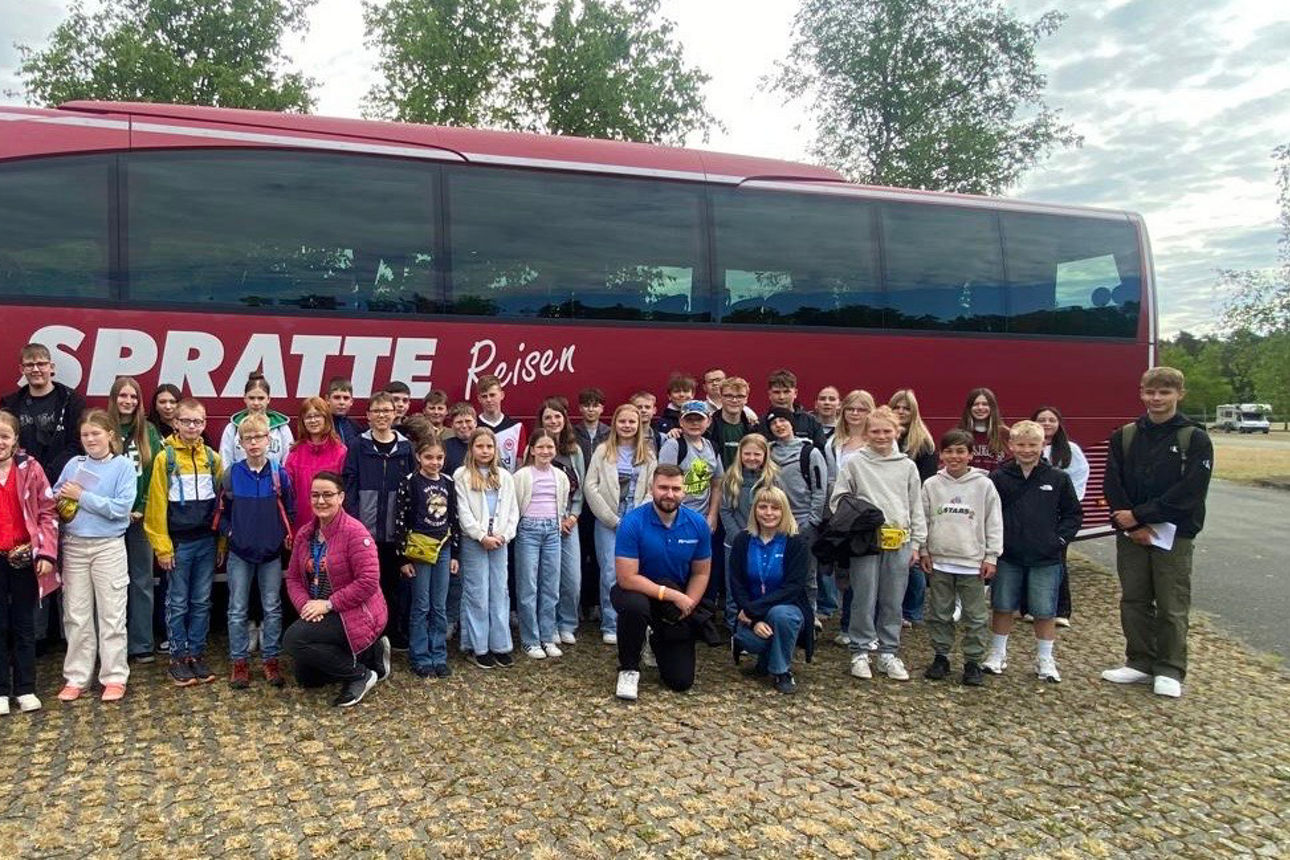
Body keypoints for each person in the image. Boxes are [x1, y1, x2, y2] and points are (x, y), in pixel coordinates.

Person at [1101, 366, 1212, 699]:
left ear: (1180, 394)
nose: (1156, 399)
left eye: (1164, 392)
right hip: (1132, 533)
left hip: (1174, 534)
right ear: (1141, 393)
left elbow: (1190, 491)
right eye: (1150, 392)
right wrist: (1131, 524)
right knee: (1134, 598)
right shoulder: (1125, 435)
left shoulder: (1195, 438)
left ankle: (1170, 668)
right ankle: (1139, 660)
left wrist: (1141, 515)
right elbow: (1113, 482)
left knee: (1171, 602)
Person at [829, 405, 926, 681]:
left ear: (897, 432)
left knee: (893, 599)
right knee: (864, 596)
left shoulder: (907, 466)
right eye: (875, 431)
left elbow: (915, 505)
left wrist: (917, 543)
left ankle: (888, 652)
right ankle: (860, 651)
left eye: (887, 431)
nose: (881, 436)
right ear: (866, 433)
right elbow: (838, 499)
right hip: (866, 541)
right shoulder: (856, 463)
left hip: (899, 540)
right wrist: (860, 516)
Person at [983, 421, 1082, 683]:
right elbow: (989, 513)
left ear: (1043, 445)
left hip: (1045, 556)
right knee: (1002, 606)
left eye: (1033, 445)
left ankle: (1045, 659)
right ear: (1011, 446)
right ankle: (997, 653)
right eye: (1021, 445)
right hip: (1008, 554)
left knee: (1044, 610)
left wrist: (1058, 540)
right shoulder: (999, 478)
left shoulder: (1058, 479)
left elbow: (1072, 515)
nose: (1027, 450)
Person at [282, 472, 391, 707]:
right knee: (307, 678)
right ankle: (368, 654)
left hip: (354, 611)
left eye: (328, 495)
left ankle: (360, 674)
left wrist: (328, 604)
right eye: (315, 495)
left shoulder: (355, 533)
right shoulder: (305, 535)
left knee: (293, 640)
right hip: (321, 610)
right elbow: (293, 578)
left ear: (341, 497)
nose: (321, 501)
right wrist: (307, 607)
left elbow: (368, 581)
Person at [53, 410, 136, 703]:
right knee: (75, 614)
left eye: (96, 434)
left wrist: (83, 498)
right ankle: (77, 676)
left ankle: (114, 676)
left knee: (112, 613)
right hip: (74, 545)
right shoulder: (74, 465)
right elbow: (56, 496)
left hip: (108, 546)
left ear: (110, 436)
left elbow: (121, 508)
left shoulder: (123, 467)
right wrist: (64, 498)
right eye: (86, 435)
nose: (90, 439)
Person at [610, 465, 713, 701]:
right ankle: (629, 668)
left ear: (684, 491)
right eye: (663, 488)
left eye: (676, 488)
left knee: (680, 681)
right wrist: (672, 595)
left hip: (675, 598)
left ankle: (655, 641)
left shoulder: (697, 524)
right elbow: (626, 577)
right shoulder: (633, 522)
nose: (669, 494)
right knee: (634, 607)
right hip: (638, 590)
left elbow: (701, 573)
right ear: (651, 488)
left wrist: (688, 604)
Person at [144, 398, 222, 687]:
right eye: (186, 421)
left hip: (207, 542)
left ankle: (196, 654)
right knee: (177, 602)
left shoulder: (212, 459)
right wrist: (162, 547)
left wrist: (221, 544)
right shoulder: (166, 459)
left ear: (204, 423)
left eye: (198, 421)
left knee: (201, 601)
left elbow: (221, 506)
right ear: (175, 423)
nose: (192, 426)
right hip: (178, 545)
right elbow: (155, 506)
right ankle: (177, 657)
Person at [919, 429, 1003, 687]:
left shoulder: (984, 485)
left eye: (960, 451)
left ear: (970, 455)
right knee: (939, 612)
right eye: (949, 451)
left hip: (972, 561)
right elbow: (923, 519)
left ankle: (973, 661)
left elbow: (994, 522)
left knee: (975, 616)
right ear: (941, 454)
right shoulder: (932, 485)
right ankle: (941, 655)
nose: (954, 457)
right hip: (940, 560)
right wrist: (923, 549)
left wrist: (991, 556)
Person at [217, 413, 295, 689]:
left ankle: (270, 660)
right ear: (240, 443)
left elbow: (289, 507)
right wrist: (230, 532)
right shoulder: (232, 474)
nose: (253, 443)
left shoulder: (279, 473)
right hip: (240, 552)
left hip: (271, 554)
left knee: (272, 608)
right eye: (247, 439)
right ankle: (239, 662)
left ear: (269, 440)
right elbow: (222, 511)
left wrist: (281, 536)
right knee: (237, 609)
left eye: (258, 438)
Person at [343, 392, 415, 650]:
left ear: (395, 413)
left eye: (387, 410)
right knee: (367, 584)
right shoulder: (357, 446)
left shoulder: (406, 447)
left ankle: (392, 634)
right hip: (366, 529)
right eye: (377, 411)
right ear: (368, 415)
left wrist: (406, 524)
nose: (383, 415)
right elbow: (349, 484)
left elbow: (411, 488)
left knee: (394, 585)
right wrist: (352, 521)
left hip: (394, 531)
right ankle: (367, 634)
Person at [0, 410, 59, 715]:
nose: (0, 441)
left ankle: (25, 688)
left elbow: (48, 512)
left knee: (24, 625)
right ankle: (0, 691)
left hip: (23, 557)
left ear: (15, 439)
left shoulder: (30, 468)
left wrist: (46, 553)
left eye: (4, 435)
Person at [584, 404, 657, 645]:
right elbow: (590, 486)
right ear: (615, 423)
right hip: (609, 520)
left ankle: (635, 622)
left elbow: (651, 488)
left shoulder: (647, 453)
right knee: (609, 572)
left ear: (639, 425)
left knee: (637, 572)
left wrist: (636, 518)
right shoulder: (603, 451)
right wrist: (612, 519)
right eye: (622, 421)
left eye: (631, 422)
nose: (627, 426)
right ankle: (611, 624)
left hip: (637, 520)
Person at [728, 486, 812, 694]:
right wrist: (754, 619)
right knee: (748, 640)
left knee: (780, 614)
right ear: (754, 510)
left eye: (775, 508)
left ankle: (781, 671)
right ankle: (765, 660)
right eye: (762, 507)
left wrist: (752, 611)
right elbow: (736, 584)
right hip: (751, 613)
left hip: (788, 609)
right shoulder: (743, 540)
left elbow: (793, 587)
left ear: (784, 511)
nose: (768, 513)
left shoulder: (796, 542)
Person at [107, 376, 164, 664]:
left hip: (140, 519)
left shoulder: (149, 431)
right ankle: (112, 646)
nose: (128, 401)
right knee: (111, 583)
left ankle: (141, 643)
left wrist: (142, 505)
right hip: (108, 520)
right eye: (123, 396)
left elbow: (157, 473)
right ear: (114, 398)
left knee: (141, 580)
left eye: (133, 397)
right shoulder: (104, 429)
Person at [453, 428, 519, 669]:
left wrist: (505, 535)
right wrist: (481, 536)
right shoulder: (462, 475)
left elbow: (513, 511)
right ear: (471, 449)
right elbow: (463, 513)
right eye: (480, 447)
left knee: (499, 591)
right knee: (477, 592)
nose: (485, 451)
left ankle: (500, 645)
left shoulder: (505, 476)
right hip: (475, 542)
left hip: (500, 542)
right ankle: (477, 646)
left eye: (489, 447)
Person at [393, 436, 458, 678]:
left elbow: (454, 519)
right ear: (418, 457)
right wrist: (403, 559)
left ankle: (438, 654)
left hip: (443, 549)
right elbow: (399, 521)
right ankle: (420, 656)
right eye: (429, 457)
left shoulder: (448, 482)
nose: (434, 462)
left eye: (439, 457)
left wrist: (455, 553)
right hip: (419, 551)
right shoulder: (409, 482)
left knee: (439, 605)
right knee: (421, 605)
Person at [513, 429, 570, 660]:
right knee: (528, 586)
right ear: (532, 450)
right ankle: (530, 639)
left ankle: (547, 636)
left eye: (550, 447)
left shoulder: (561, 476)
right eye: (541, 447)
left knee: (551, 586)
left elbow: (562, 503)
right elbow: (516, 503)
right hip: (528, 530)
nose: (545, 451)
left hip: (552, 532)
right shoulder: (522, 475)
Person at [766, 408, 827, 620]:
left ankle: (810, 616)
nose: (779, 426)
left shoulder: (810, 452)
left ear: (792, 424)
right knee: (776, 571)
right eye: (774, 423)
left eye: (783, 420)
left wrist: (813, 520)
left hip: (803, 521)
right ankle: (780, 615)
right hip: (773, 522)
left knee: (807, 574)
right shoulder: (768, 452)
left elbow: (820, 489)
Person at [825, 389, 875, 642]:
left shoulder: (877, 441)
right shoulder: (834, 443)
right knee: (844, 574)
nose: (855, 414)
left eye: (861, 409)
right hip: (843, 516)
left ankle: (866, 628)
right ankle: (847, 624)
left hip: (870, 516)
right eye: (851, 409)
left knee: (867, 575)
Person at [1033, 405, 1089, 627]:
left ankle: (1061, 609)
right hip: (1034, 514)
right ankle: (1031, 607)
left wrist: (1063, 504)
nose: (1047, 423)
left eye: (1051, 420)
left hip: (1057, 515)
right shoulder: (1027, 447)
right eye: (1042, 419)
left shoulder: (1070, 449)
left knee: (1058, 561)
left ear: (1059, 424)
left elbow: (1079, 478)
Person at [718, 434, 782, 627]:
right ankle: (734, 624)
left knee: (761, 582)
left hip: (765, 541)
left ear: (765, 455)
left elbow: (779, 508)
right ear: (740, 454)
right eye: (747, 454)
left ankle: (763, 620)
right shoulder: (731, 477)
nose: (752, 458)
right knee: (735, 584)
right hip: (735, 540)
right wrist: (739, 537)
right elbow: (725, 510)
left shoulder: (773, 478)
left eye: (757, 454)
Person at [538, 399, 586, 645]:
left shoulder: (574, 450)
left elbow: (581, 489)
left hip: (569, 523)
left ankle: (567, 622)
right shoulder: (534, 449)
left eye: (557, 416)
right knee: (547, 577)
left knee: (571, 578)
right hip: (542, 522)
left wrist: (572, 516)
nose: (553, 422)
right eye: (548, 418)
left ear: (565, 419)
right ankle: (549, 625)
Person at [2, 342, 86, 483]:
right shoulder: (10, 405)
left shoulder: (72, 401)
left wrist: (48, 474)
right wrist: (28, 473)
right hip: (21, 481)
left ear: (51, 367)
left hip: (62, 482)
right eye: (29, 365)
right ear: (22, 369)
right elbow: (6, 444)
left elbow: (77, 444)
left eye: (41, 364)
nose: (35, 369)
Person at [890, 388, 938, 627]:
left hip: (912, 508)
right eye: (896, 407)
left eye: (906, 408)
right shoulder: (887, 437)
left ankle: (913, 611)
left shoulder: (924, 442)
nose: (900, 411)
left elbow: (926, 480)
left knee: (914, 563)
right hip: (891, 507)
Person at [283, 397, 349, 534]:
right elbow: (288, 492)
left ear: (326, 418)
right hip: (301, 525)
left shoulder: (341, 451)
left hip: (333, 526)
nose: (313, 421)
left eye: (318, 416)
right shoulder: (295, 452)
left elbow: (346, 490)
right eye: (308, 417)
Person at [574, 388, 610, 625]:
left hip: (602, 500)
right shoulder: (572, 432)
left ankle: (596, 603)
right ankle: (578, 603)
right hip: (579, 502)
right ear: (580, 409)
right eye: (586, 405)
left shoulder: (609, 433)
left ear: (602, 408)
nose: (591, 409)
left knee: (600, 557)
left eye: (595, 405)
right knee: (580, 554)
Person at [658, 401, 723, 530]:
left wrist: (712, 516)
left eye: (699, 419)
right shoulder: (673, 446)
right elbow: (663, 484)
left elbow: (717, 484)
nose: (694, 423)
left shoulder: (712, 447)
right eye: (689, 419)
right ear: (681, 422)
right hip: (676, 518)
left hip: (702, 520)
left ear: (708, 421)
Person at [219, 372, 294, 467]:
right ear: (245, 398)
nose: (256, 402)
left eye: (261, 398)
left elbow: (288, 462)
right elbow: (225, 462)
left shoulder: (282, 428)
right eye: (251, 398)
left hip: (273, 480)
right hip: (241, 480)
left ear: (268, 399)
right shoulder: (233, 428)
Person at [758, 369, 826, 450]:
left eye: (786, 392)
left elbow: (821, 452)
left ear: (795, 393)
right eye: (777, 392)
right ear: (769, 394)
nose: (781, 397)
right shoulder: (761, 423)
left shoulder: (811, 422)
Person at [474, 374, 526, 473]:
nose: (489, 400)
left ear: (501, 395)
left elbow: (520, 462)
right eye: (484, 396)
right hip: (480, 483)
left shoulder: (516, 427)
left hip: (509, 484)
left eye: (492, 395)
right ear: (479, 399)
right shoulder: (474, 427)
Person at [706, 376, 759, 471]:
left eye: (740, 396)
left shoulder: (753, 429)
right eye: (729, 396)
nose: (734, 400)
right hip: (716, 483)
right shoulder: (707, 428)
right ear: (720, 397)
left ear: (746, 399)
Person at [957, 387, 1010, 473]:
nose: (980, 408)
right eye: (975, 404)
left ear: (992, 407)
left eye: (985, 404)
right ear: (969, 408)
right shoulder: (958, 434)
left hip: (998, 485)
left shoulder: (1005, 434)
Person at [654, 374, 696, 439]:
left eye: (685, 391)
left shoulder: (703, 418)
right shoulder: (661, 422)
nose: (681, 395)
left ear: (692, 394)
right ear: (669, 396)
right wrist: (667, 436)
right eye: (677, 391)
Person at [327, 377, 362, 446]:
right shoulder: (322, 425)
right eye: (337, 397)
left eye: (346, 398)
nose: (341, 402)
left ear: (351, 401)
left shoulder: (354, 426)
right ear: (327, 400)